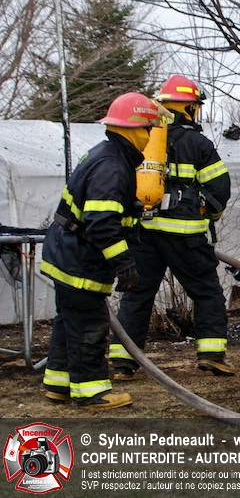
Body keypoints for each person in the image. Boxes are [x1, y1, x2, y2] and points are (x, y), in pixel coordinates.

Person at [41, 92, 168, 409]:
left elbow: (102, 210)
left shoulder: (107, 155)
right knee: (89, 323)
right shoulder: (112, 165)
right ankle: (91, 391)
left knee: (69, 321)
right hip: (80, 259)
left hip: (67, 253)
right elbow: (101, 223)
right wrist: (124, 263)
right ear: (134, 129)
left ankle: (59, 383)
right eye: (148, 128)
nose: (150, 136)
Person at [109, 75, 234, 378]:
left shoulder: (143, 139)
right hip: (184, 236)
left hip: (143, 232)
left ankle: (124, 361)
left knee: (137, 295)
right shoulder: (198, 144)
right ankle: (212, 355)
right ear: (189, 108)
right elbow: (219, 189)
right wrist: (210, 217)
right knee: (206, 292)